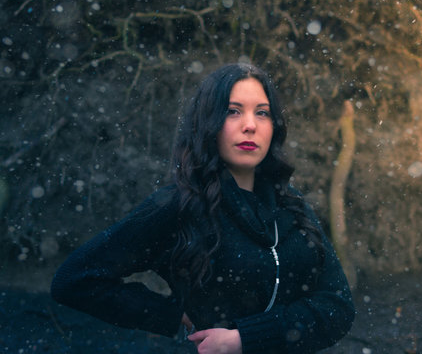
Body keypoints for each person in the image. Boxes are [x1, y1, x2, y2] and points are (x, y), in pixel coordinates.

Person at [50, 63, 355, 353]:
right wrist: (168, 315)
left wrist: (244, 339)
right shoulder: (179, 206)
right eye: (233, 111)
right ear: (209, 122)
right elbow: (75, 279)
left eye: (262, 113)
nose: (250, 125)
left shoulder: (293, 206)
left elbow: (339, 307)